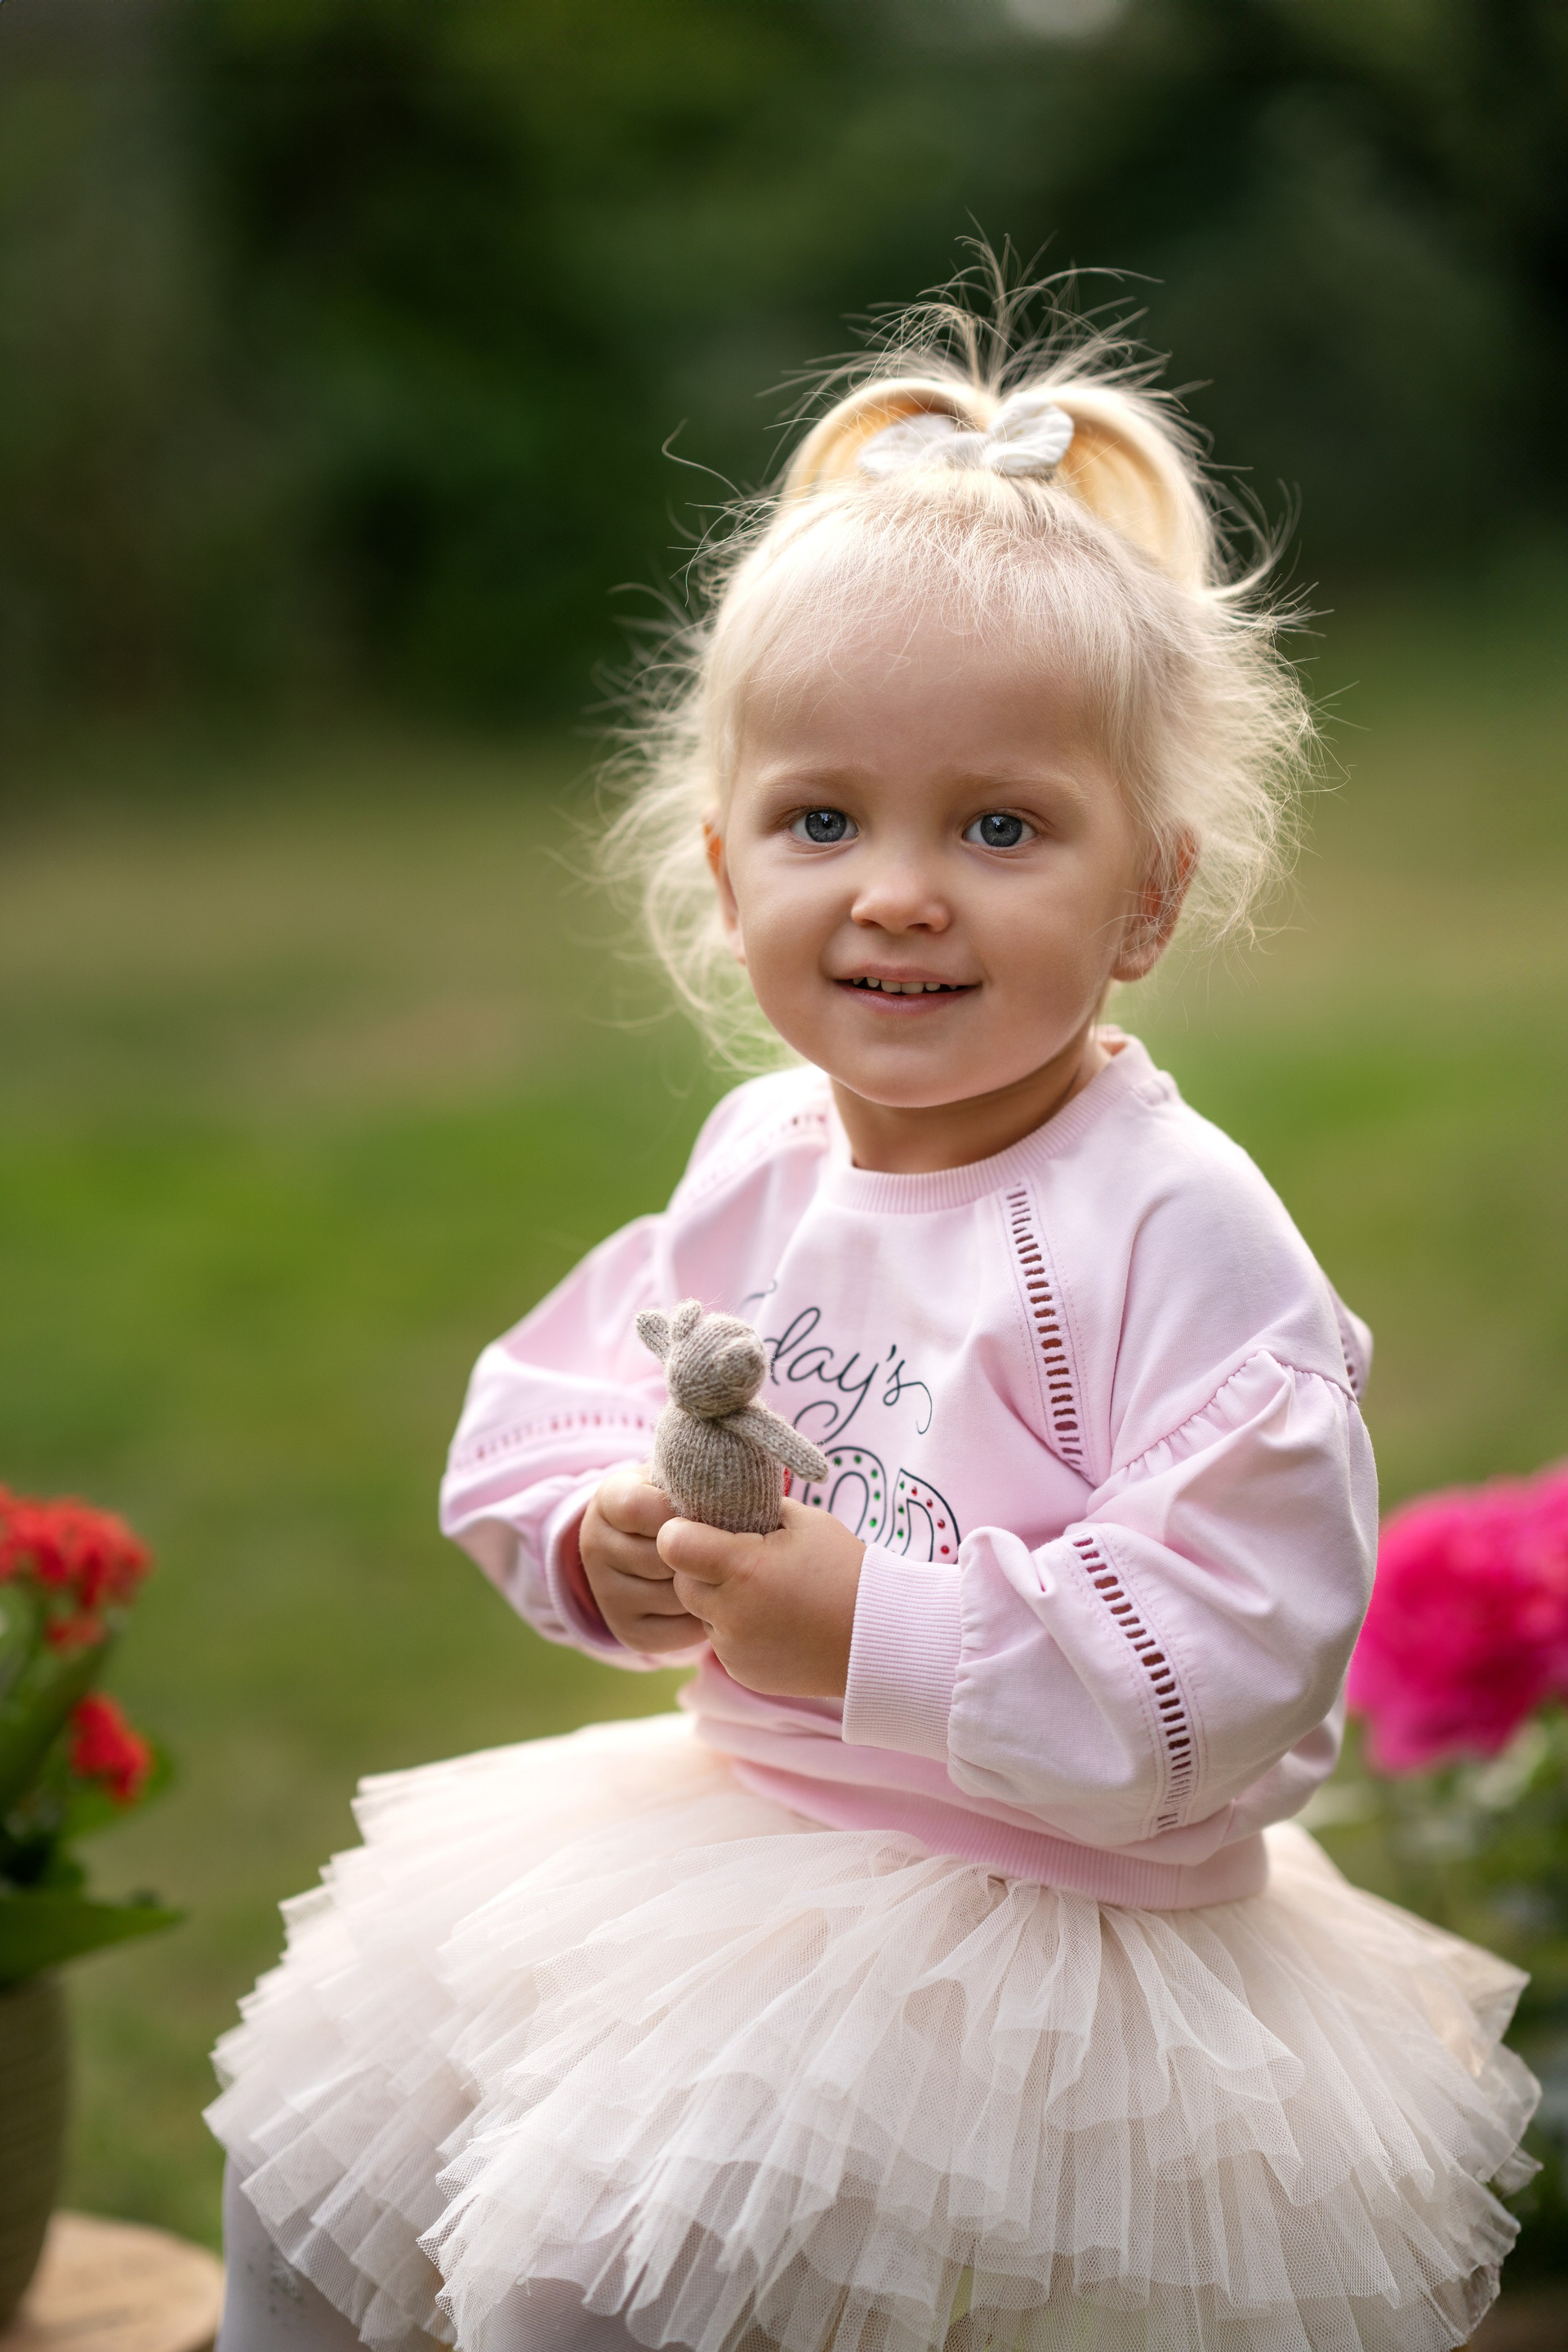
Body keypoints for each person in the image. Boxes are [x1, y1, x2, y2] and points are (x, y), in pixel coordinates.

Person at [207, 293, 1538, 2352]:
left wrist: (870, 1625)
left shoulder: (1168, 1224)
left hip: (1055, 1948)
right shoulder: (766, 1154)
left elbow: (1234, 1648)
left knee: (594, 2287)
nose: (899, 892)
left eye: (999, 827)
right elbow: (555, 1399)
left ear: (1148, 896)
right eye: (823, 820)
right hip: (743, 1849)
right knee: (316, 2157)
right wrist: (604, 1535)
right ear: (726, 864)